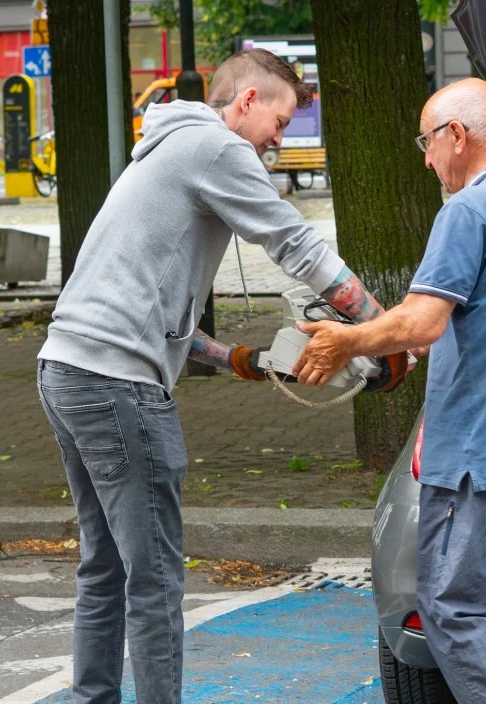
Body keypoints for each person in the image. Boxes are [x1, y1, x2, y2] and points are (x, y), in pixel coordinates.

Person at [36, 48, 399, 704]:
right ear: (246, 102)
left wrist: (241, 359)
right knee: (154, 582)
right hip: (117, 385)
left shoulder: (165, 148)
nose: (280, 141)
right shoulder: (216, 149)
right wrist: (383, 331)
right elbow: (298, 248)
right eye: (281, 122)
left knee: (106, 568)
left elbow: (157, 314)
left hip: (66, 369)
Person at [293, 78, 486, 703]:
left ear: (457, 135)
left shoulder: (469, 210)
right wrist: (430, 340)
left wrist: (347, 341)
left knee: (456, 613)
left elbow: (423, 320)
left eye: (427, 141)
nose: (426, 159)